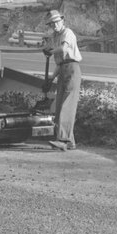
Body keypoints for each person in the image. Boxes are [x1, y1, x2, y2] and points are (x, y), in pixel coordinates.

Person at [44, 8, 82, 151]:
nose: (54, 25)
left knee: (67, 105)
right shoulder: (55, 36)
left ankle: (63, 140)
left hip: (72, 69)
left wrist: (50, 51)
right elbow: (60, 63)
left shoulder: (67, 33)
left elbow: (64, 49)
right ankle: (69, 141)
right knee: (60, 106)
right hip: (63, 70)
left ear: (62, 20)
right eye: (51, 24)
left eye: (56, 22)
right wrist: (51, 78)